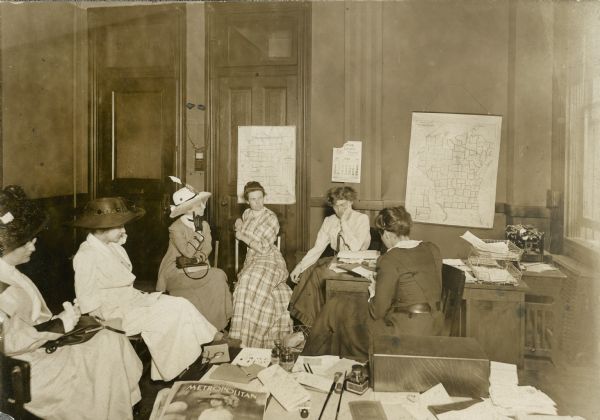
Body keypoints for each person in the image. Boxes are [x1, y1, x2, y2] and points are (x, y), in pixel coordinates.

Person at [0, 185, 142, 420]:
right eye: (26, 243)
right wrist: (58, 326)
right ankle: (108, 411)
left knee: (111, 337)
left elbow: (30, 319)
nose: (33, 246)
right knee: (103, 355)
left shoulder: (11, 271)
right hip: (26, 366)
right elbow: (9, 341)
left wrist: (63, 319)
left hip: (38, 345)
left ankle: (119, 409)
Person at [72, 196, 219, 381]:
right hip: (113, 314)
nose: (124, 231)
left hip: (131, 301)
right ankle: (181, 368)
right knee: (169, 316)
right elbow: (87, 301)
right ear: (102, 228)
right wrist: (106, 323)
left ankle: (192, 359)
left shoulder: (112, 246)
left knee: (181, 304)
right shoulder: (86, 255)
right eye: (119, 227)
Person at [302, 206, 443, 361]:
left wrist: (375, 290)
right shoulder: (432, 248)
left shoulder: (390, 259)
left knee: (335, 307)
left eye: (381, 235)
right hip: (434, 328)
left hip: (401, 334)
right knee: (344, 309)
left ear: (388, 235)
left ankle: (311, 361)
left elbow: (377, 312)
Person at [289, 186, 370, 326]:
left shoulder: (362, 219)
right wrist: (299, 267)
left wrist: (344, 223)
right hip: (337, 262)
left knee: (321, 273)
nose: (340, 210)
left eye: (343, 205)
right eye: (335, 206)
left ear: (351, 202)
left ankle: (321, 323)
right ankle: (310, 324)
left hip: (358, 264)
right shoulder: (329, 221)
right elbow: (317, 248)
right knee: (308, 272)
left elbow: (355, 248)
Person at [157, 181, 232, 331]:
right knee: (212, 279)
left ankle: (213, 326)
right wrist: (197, 235)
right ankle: (197, 328)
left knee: (219, 276)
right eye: (199, 205)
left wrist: (198, 259)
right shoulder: (175, 228)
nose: (204, 207)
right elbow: (188, 252)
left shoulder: (203, 225)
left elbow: (207, 248)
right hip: (175, 271)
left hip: (198, 267)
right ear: (188, 209)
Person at [229, 181, 293, 348]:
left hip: (269, 259)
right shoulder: (247, 214)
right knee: (244, 286)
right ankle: (240, 340)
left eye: (260, 198)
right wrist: (238, 223)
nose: (257, 203)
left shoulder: (270, 218)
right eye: (252, 199)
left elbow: (264, 248)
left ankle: (253, 341)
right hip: (251, 259)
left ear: (264, 197)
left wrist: (242, 236)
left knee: (250, 280)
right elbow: (241, 224)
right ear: (247, 201)